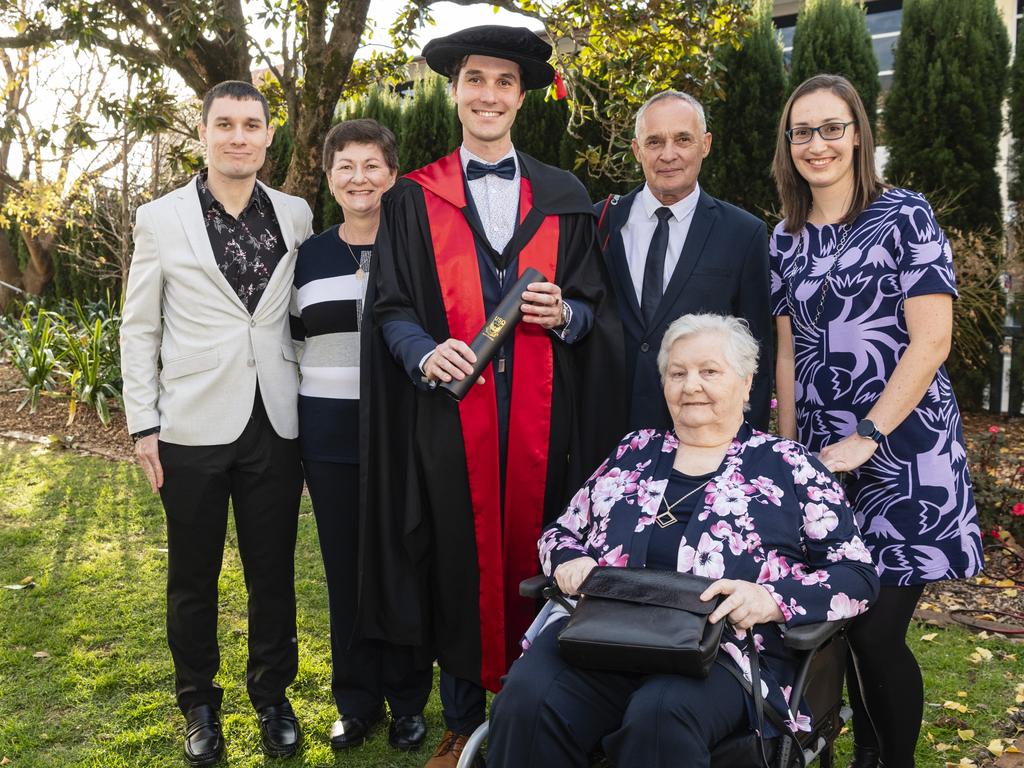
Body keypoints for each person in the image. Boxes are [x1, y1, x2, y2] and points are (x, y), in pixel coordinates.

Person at [360, 24, 625, 768]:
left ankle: (542, 714)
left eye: (503, 82)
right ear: (454, 91)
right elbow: (389, 307)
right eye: (475, 79)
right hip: (452, 424)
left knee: (544, 554)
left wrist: (567, 316)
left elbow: (597, 307)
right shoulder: (414, 199)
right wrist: (422, 351)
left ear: (520, 96)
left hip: (548, 427)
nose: (488, 94)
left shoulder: (565, 198)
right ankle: (459, 720)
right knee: (454, 559)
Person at [487, 313, 880, 768]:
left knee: (660, 715)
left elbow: (856, 575)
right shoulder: (635, 451)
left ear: (747, 381)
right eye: (678, 373)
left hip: (725, 652)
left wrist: (771, 599)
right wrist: (569, 560)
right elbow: (561, 532)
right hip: (604, 637)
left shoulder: (788, 465)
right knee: (526, 698)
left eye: (709, 371)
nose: (691, 385)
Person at [770, 74, 983, 768]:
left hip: (907, 455)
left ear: (859, 134)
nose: (817, 143)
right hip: (825, 461)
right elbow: (785, 354)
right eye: (803, 131)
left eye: (832, 127)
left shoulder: (905, 216)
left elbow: (932, 342)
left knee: (877, 632)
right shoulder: (784, 238)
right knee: (847, 624)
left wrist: (870, 436)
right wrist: (784, 455)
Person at [120, 80, 312, 764]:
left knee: (273, 573)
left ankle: (272, 697)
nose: (238, 136)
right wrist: (144, 424)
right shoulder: (160, 217)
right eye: (224, 124)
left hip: (275, 422)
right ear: (202, 134)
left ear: (267, 135)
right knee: (192, 577)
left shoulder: (295, 213)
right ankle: (198, 703)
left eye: (251, 125)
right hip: (190, 426)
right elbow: (139, 328)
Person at [290, 119, 433, 753]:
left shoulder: (418, 249)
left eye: (372, 165)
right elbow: (294, 344)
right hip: (329, 437)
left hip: (402, 437)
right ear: (329, 178)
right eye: (345, 166)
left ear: (393, 176)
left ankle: (407, 699)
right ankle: (355, 700)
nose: (359, 178)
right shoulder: (310, 256)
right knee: (345, 572)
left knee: (403, 565)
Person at [596, 91, 772, 432]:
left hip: (701, 437)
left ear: (705, 144)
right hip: (607, 434)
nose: (668, 154)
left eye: (683, 139)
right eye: (655, 141)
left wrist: (745, 452)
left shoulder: (743, 234)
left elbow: (757, 357)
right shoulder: (599, 223)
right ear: (637, 150)